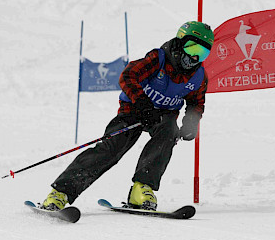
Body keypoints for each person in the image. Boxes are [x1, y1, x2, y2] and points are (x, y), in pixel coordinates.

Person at [41, 21, 214, 211]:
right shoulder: (159, 59)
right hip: (134, 109)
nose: (195, 57)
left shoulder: (198, 76)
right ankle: (60, 193)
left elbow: (196, 103)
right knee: (111, 149)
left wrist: (191, 122)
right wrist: (142, 103)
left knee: (168, 132)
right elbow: (128, 75)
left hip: (163, 115)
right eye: (192, 48)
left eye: (203, 53)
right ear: (180, 43)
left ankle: (142, 189)